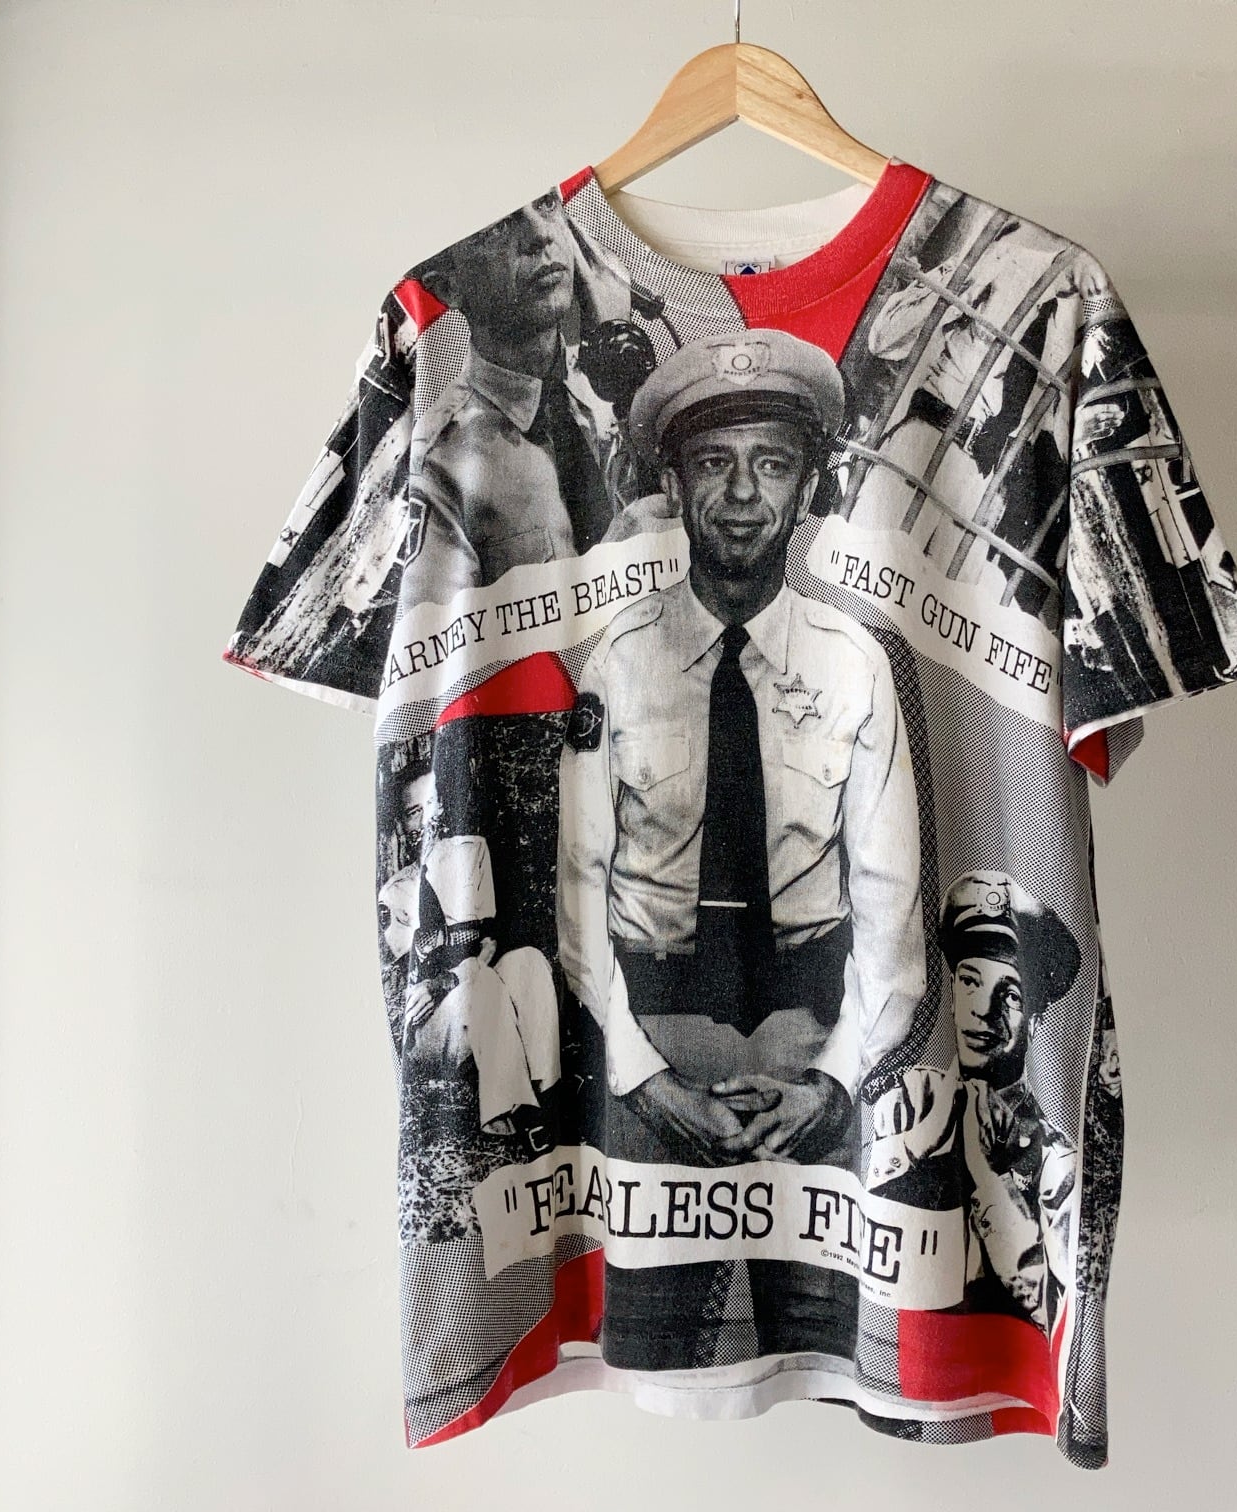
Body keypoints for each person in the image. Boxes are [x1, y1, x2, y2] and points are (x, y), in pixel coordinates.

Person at [556, 328, 927, 1367]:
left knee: (823, 1351)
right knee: (649, 1354)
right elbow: (577, 898)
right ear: (673, 484)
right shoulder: (616, 665)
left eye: (772, 465)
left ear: (808, 488)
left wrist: (834, 1084)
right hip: (651, 1045)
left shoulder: (853, 664)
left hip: (811, 1044)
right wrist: (645, 1083)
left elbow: (891, 907)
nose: (742, 495)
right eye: (714, 463)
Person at [867, 870, 1080, 1333]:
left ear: (1035, 1018)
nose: (983, 1011)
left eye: (1011, 995)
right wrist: (914, 1147)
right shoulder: (907, 1106)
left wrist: (990, 1178)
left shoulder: (1055, 1163)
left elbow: (1050, 1312)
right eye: (969, 982)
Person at [399, 188, 628, 608]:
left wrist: (618, 347)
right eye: (497, 227)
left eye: (546, 204)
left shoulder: (619, 393)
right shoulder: (439, 464)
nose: (540, 235)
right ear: (448, 286)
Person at [846, 235, 1076, 616]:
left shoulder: (1077, 325)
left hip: (980, 485)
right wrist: (956, 276)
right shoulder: (1005, 258)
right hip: (925, 442)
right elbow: (883, 340)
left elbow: (1062, 437)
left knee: (943, 616)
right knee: (861, 585)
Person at [378, 757, 561, 1149]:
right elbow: (402, 983)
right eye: (412, 812)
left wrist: (448, 978)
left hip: (473, 997)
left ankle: (547, 1098)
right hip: (430, 1028)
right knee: (481, 980)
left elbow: (488, 943)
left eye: (432, 803)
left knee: (528, 962)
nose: (426, 819)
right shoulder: (396, 891)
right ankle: (508, 1112)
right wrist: (441, 981)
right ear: (400, 826)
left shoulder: (470, 852)